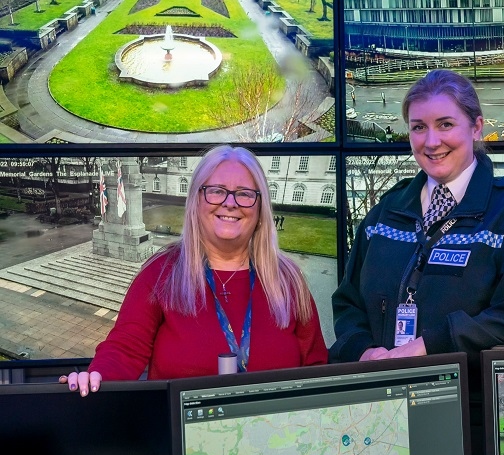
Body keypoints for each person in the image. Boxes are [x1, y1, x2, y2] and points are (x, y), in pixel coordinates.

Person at [330, 69, 504, 370]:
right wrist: (364, 352)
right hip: (384, 397)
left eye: (445, 124)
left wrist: (431, 346)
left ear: (476, 128)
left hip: (469, 404)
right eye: (418, 127)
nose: (431, 142)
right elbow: (348, 302)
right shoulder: (384, 213)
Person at [61, 145, 328, 396]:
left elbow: (316, 367)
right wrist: (96, 378)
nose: (230, 203)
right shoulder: (161, 273)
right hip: (181, 439)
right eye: (216, 190)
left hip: (272, 439)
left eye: (245, 194)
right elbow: (125, 348)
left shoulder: (289, 281)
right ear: (196, 201)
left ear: (260, 209)